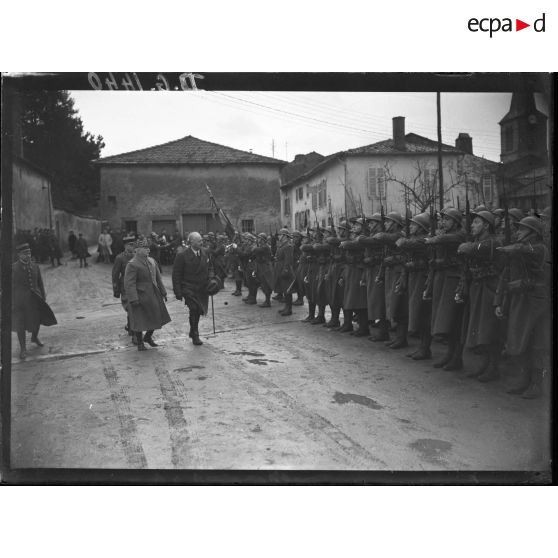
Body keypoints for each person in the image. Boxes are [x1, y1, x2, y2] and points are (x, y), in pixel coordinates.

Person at [495, 216, 550, 398]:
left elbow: (524, 250)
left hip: (537, 303)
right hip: (521, 300)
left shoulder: (539, 248)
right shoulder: (519, 250)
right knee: (522, 342)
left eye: (522, 229)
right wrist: (500, 301)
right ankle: (524, 380)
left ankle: (536, 384)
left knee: (538, 344)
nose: (518, 232)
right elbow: (506, 276)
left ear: (533, 233)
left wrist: (506, 248)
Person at [457, 211, 503, 381]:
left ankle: (493, 367)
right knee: (479, 329)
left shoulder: (493, 241)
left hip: (490, 288)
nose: (472, 225)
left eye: (476, 222)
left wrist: (466, 246)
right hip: (477, 287)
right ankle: (484, 364)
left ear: (486, 225)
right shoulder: (478, 241)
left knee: (490, 329)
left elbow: (470, 249)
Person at [424, 207, 467, 371]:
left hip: (455, 279)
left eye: (447, 219)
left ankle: (457, 357)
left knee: (454, 319)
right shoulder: (443, 235)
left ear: (455, 222)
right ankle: (450, 354)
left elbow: (446, 240)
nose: (443, 222)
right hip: (443, 279)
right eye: (442, 219)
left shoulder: (459, 234)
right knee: (446, 319)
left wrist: (432, 239)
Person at [124, 236, 171, 351]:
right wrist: (133, 298)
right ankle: (140, 343)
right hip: (139, 296)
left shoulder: (152, 261)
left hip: (153, 294)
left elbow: (158, 279)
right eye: (145, 248)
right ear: (138, 250)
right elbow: (129, 284)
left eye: (148, 248)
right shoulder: (132, 264)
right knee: (139, 319)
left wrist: (163, 292)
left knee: (157, 315)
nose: (148, 250)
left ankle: (148, 337)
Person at [12, 243, 57, 359]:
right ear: (19, 255)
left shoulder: (35, 266)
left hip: (35, 299)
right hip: (20, 301)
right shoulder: (13, 268)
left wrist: (43, 295)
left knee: (37, 319)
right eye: (25, 254)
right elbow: (10, 287)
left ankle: (34, 337)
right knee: (20, 324)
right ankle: (23, 349)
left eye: (29, 253)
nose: (28, 255)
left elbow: (40, 283)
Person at [172, 231, 212, 346]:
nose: (201, 242)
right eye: (199, 240)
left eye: (201, 240)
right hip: (188, 287)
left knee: (199, 310)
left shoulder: (205, 252)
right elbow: (176, 274)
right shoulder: (182, 255)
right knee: (194, 309)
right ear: (191, 242)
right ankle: (195, 334)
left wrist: (211, 279)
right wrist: (178, 291)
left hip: (202, 288)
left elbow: (210, 268)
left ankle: (192, 329)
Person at [112, 235, 137, 343]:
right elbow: (115, 275)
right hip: (125, 287)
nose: (132, 246)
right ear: (125, 246)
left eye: (133, 244)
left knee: (135, 309)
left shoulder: (138, 256)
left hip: (137, 286)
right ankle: (134, 332)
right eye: (130, 244)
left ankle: (131, 327)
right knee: (130, 308)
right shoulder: (120, 258)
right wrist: (116, 290)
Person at [274, 228, 296, 316]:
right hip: (280, 268)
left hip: (285, 269)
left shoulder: (288, 246)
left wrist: (286, 270)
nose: (279, 236)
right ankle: (286, 307)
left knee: (288, 290)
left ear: (284, 236)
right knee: (284, 289)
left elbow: (288, 260)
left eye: (280, 235)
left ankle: (289, 309)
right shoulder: (282, 245)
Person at [253, 233, 275, 308]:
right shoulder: (262, 246)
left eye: (259, 238)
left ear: (262, 239)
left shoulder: (265, 247)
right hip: (261, 267)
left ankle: (268, 301)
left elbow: (256, 250)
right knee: (263, 284)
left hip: (266, 267)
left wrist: (255, 246)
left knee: (266, 283)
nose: (258, 239)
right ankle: (267, 301)